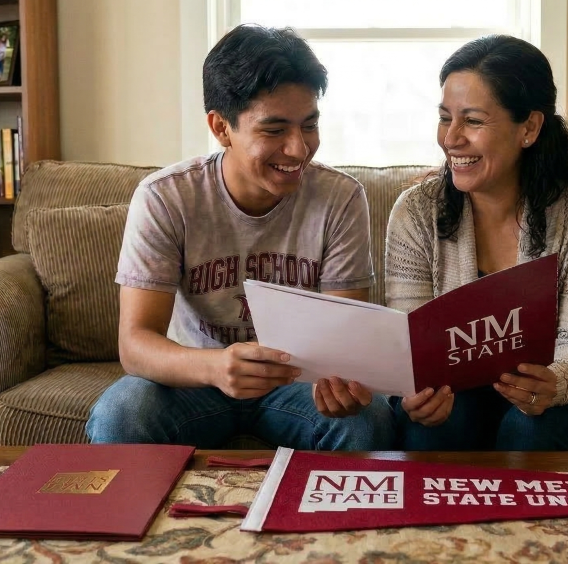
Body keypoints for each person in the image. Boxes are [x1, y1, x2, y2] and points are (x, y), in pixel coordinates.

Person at [85, 24, 393, 451]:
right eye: (274, 130)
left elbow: (345, 339)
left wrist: (343, 385)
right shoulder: (166, 197)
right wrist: (215, 367)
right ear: (221, 127)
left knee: (367, 421)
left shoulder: (340, 198)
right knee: (121, 414)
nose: (298, 149)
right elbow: (136, 344)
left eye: (309, 125)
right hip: (195, 379)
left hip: (297, 384)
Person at [384, 35, 568, 452]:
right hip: (454, 391)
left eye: (473, 121)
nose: (451, 138)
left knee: (531, 429)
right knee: (432, 428)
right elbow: (408, 342)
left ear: (529, 128)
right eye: (445, 118)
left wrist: (556, 382)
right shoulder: (415, 212)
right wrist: (416, 393)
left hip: (552, 391)